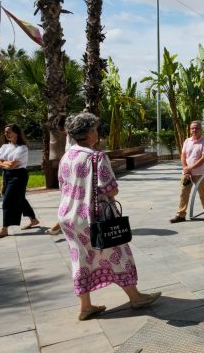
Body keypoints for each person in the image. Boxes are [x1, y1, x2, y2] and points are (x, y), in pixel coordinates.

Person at [59, 112, 160, 321]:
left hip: (68, 216)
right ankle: (135, 296)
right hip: (94, 217)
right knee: (120, 253)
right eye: (95, 129)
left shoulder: (66, 156)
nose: (97, 132)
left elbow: (63, 186)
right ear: (88, 133)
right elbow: (111, 190)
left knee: (80, 259)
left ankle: (85, 306)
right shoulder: (96, 157)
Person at [0, 124, 40, 239]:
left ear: (16, 133)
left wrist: (4, 163)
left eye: (9, 131)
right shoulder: (4, 146)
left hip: (19, 176)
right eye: (5, 132)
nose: (6, 134)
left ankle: (4, 229)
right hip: (7, 175)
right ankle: (33, 220)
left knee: (7, 201)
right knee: (20, 199)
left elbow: (12, 164)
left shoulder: (22, 148)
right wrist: (6, 163)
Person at [170, 120, 204, 223]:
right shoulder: (187, 141)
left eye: (196, 128)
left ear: (201, 129)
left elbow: (203, 158)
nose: (194, 130)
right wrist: (186, 169)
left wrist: (190, 168)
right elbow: (183, 156)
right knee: (184, 193)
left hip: (199, 173)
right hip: (187, 174)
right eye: (192, 128)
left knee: (202, 194)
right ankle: (181, 215)